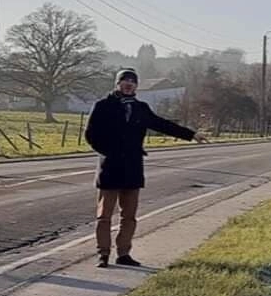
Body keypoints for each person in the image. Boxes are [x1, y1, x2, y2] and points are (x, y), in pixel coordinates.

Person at [84, 69, 205, 268]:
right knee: (104, 215)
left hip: (132, 168)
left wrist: (191, 134)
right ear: (117, 84)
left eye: (132, 81)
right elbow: (91, 135)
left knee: (129, 216)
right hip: (110, 168)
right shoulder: (103, 106)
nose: (128, 84)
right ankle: (103, 254)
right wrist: (109, 152)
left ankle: (124, 254)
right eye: (124, 81)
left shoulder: (141, 108)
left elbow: (162, 124)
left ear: (137, 86)